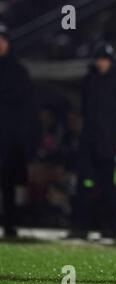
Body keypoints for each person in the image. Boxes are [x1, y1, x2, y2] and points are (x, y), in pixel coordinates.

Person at [65, 43, 116, 244]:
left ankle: (110, 229)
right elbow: (85, 109)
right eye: (99, 59)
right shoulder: (91, 79)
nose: (101, 63)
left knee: (110, 187)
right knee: (83, 185)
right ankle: (80, 227)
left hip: (111, 142)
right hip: (89, 140)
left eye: (104, 59)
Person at [0, 23, 34, 238]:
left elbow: (27, 107)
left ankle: (10, 224)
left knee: (8, 183)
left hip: (10, 137)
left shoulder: (19, 71)